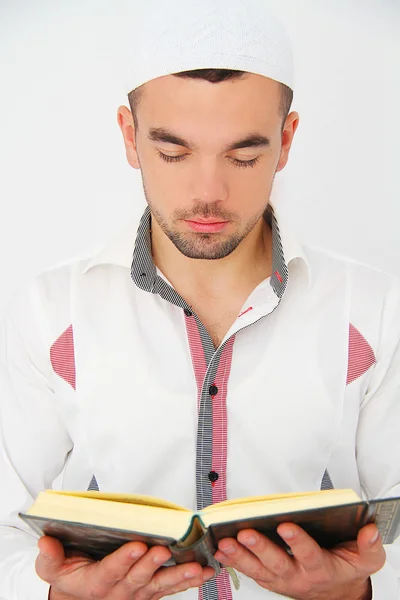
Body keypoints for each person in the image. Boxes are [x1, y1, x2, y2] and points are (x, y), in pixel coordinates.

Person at [0, 0, 399, 598]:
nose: (208, 191)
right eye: (173, 152)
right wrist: (55, 594)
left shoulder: (371, 309)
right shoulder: (53, 312)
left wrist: (355, 591)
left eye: (244, 155)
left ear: (287, 141)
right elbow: (6, 527)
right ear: (129, 137)